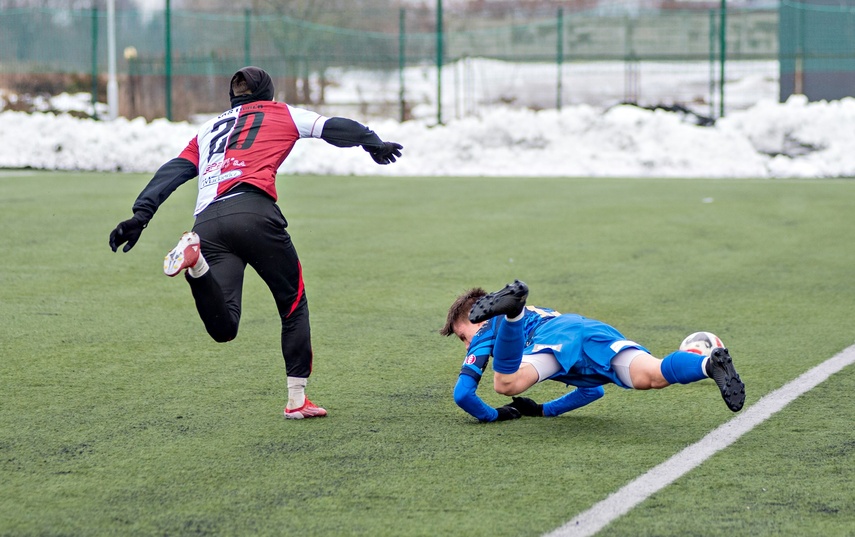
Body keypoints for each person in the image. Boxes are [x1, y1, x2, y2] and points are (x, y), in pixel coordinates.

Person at [109, 66, 403, 420]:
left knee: (224, 328)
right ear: (268, 92)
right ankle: (297, 400)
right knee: (293, 303)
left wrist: (140, 216)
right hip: (253, 212)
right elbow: (333, 127)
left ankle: (196, 264)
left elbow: (173, 171)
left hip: (207, 225)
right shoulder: (281, 112)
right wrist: (373, 142)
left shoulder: (208, 129)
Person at [440, 280, 745, 422]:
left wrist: (496, 415)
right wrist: (544, 409)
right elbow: (592, 392)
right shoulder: (541, 318)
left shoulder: (486, 327)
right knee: (652, 375)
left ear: (476, 318)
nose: (467, 345)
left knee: (506, 383)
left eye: (462, 336)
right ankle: (708, 365)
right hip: (588, 330)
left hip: (554, 335)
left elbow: (463, 395)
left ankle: (513, 311)